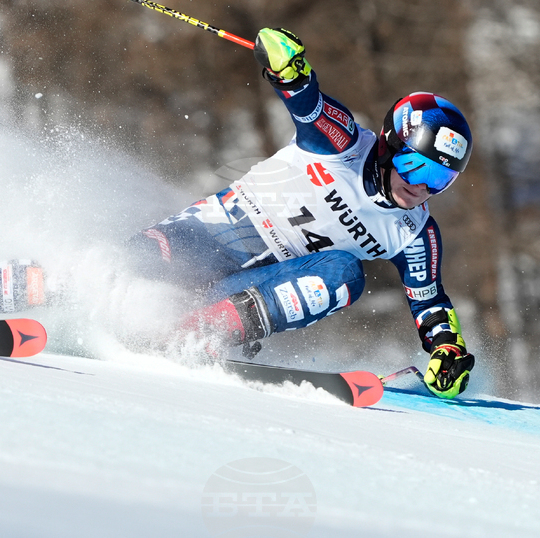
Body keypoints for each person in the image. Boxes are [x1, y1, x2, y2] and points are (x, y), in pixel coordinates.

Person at [123, 28, 477, 398]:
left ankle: (199, 333)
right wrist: (289, 69)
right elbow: (308, 102)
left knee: (345, 274)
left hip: (256, 284)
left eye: (440, 178)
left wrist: (447, 349)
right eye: (416, 167)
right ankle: (63, 285)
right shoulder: (343, 144)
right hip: (210, 236)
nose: (422, 188)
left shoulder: (414, 232)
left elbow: (430, 301)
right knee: (132, 266)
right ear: (390, 146)